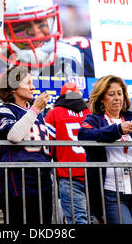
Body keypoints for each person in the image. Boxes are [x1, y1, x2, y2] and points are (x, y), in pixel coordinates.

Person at [78, 75, 132, 224]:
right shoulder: (94, 119)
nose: (117, 98)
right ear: (102, 98)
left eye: (119, 93)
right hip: (111, 189)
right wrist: (118, 130)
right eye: (111, 94)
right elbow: (84, 135)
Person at [0, 0, 94, 78]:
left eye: (41, 22)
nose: (35, 32)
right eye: (20, 26)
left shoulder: (82, 53)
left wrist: (73, 77)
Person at [0, 65, 53, 224]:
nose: (33, 87)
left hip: (43, 179)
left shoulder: (38, 113)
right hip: (18, 181)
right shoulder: (4, 110)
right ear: (13, 87)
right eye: (28, 83)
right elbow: (14, 135)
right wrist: (35, 110)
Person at [45, 82, 91, 224]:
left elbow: (48, 147)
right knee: (97, 217)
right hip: (93, 172)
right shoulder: (90, 112)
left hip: (68, 173)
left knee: (78, 219)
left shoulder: (53, 113)